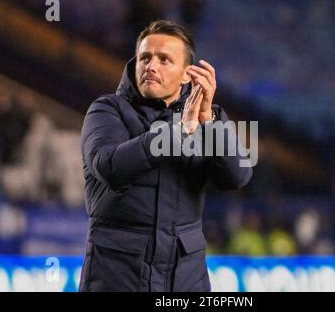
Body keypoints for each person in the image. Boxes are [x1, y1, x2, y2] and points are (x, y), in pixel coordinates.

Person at [79, 20, 252, 292]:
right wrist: (178, 132)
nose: (151, 66)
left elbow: (237, 177)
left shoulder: (208, 116)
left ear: (187, 75)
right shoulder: (106, 110)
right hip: (117, 278)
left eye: (164, 60)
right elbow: (110, 166)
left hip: (185, 280)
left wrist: (209, 121)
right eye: (144, 57)